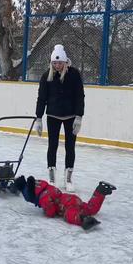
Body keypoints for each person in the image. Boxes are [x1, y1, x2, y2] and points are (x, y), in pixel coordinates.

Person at [35, 44, 85, 192]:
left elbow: (79, 96)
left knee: (70, 147)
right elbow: (42, 98)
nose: (57, 65)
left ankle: (68, 178)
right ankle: (52, 177)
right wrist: (38, 118)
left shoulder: (74, 74)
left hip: (70, 116)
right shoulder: (46, 76)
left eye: (60, 62)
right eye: (54, 63)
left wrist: (79, 116)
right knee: (53, 145)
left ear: (65, 61)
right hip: (53, 116)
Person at [14, 175, 116, 231]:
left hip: (66, 205)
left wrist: (46, 212)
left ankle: (83, 219)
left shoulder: (44, 199)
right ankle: (100, 192)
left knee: (69, 214)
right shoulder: (47, 188)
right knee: (90, 209)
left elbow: (51, 212)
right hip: (71, 198)